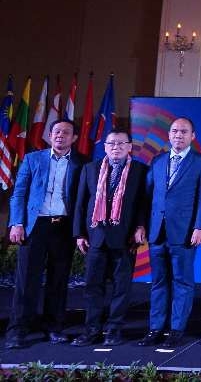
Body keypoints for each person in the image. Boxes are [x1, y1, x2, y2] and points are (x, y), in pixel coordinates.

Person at [5, 119, 85, 349]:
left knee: (58, 280)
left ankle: (53, 327)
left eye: (66, 132)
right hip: (35, 227)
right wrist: (17, 223)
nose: (60, 135)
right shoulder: (33, 159)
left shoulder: (82, 163)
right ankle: (18, 329)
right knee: (26, 280)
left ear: (74, 138)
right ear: (50, 136)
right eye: (56, 132)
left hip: (63, 227)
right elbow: (19, 193)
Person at [138, 117, 201, 348]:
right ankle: (155, 328)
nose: (178, 135)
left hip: (185, 232)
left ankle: (176, 329)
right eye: (174, 131)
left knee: (182, 282)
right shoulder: (158, 160)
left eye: (183, 131)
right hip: (157, 232)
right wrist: (142, 225)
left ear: (193, 136)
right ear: (169, 134)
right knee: (158, 282)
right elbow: (147, 196)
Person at [71, 128, 149, 347]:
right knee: (92, 286)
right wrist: (79, 233)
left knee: (121, 287)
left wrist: (140, 226)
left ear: (130, 147)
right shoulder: (90, 169)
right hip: (95, 236)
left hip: (125, 238)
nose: (116, 147)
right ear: (104, 147)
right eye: (112, 143)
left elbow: (143, 203)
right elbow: (81, 203)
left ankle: (114, 330)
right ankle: (92, 330)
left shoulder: (141, 170)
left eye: (121, 143)